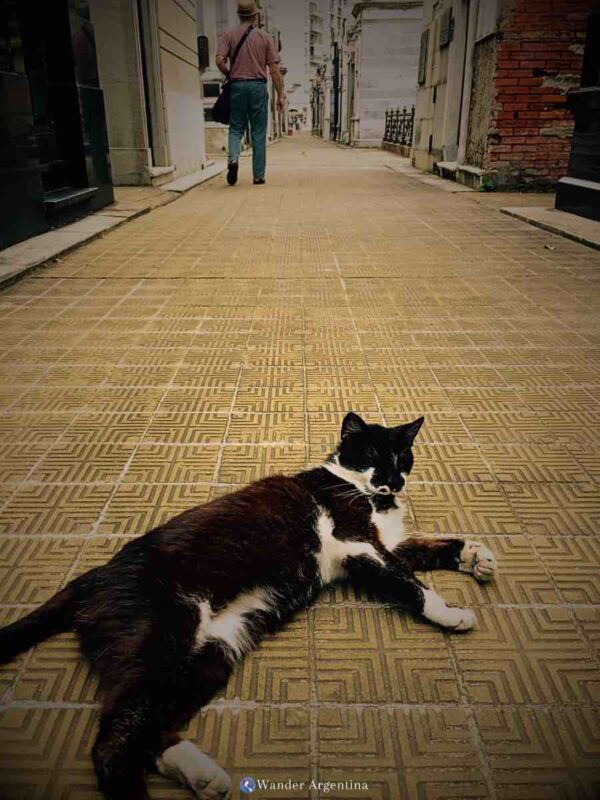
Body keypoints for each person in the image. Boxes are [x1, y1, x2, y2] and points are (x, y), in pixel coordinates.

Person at [216, 0, 285, 186]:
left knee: (236, 127)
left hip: (237, 86)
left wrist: (229, 74)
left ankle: (233, 160)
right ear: (255, 16)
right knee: (259, 132)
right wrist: (281, 95)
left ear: (239, 15)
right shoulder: (265, 37)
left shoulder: (228, 34)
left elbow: (219, 60)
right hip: (257, 87)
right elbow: (274, 70)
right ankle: (258, 176)